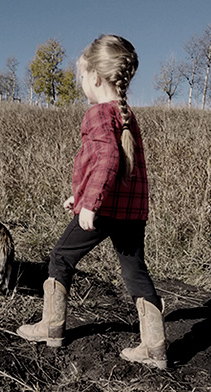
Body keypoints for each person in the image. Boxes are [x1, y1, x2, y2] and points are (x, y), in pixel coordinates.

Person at [17, 34, 167, 369]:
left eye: (81, 76)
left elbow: (108, 159)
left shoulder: (97, 113)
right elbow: (113, 163)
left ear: (95, 77)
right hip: (132, 211)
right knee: (134, 271)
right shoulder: (126, 114)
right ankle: (155, 346)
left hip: (105, 208)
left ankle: (52, 326)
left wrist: (91, 203)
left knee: (60, 257)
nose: (81, 82)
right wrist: (82, 194)